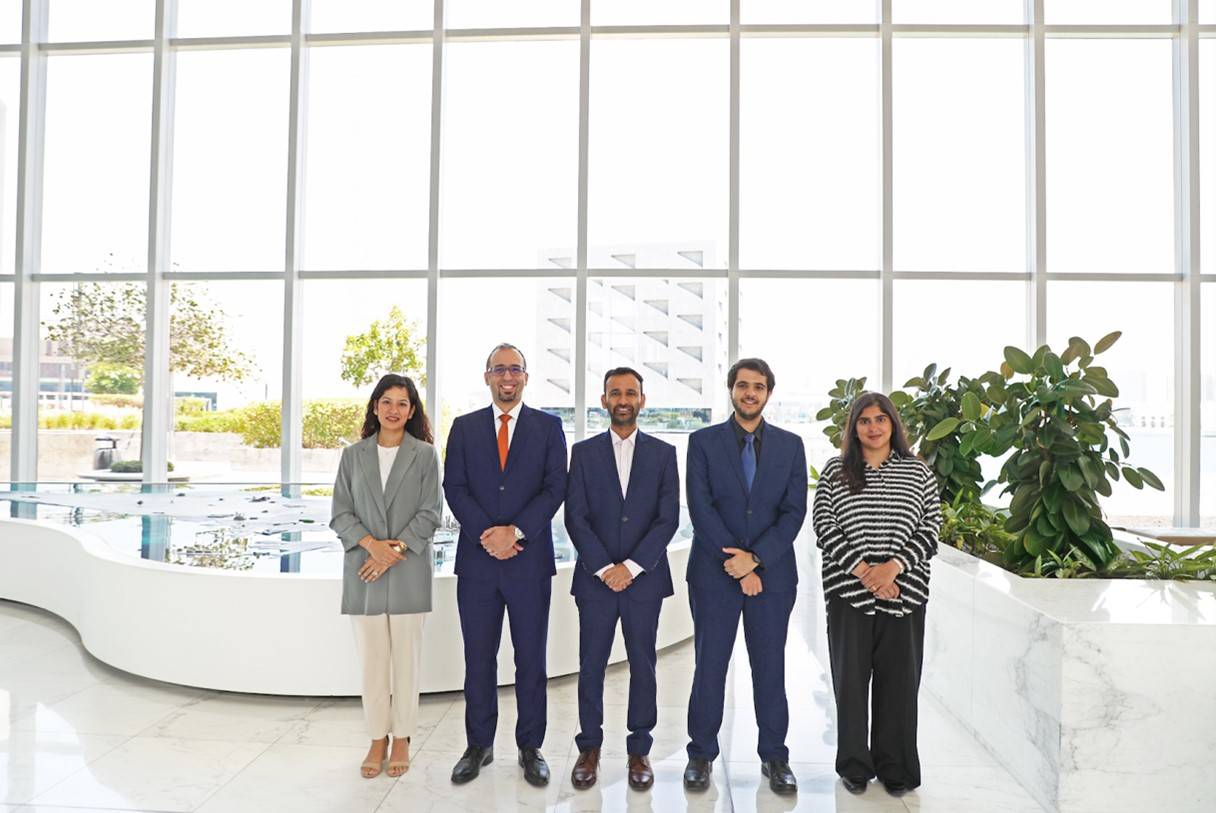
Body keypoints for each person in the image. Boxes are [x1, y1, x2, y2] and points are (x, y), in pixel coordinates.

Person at [443, 343, 567, 787]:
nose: (507, 376)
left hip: (528, 562)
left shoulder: (549, 427)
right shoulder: (464, 428)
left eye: (515, 369)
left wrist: (514, 532)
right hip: (477, 565)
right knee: (478, 658)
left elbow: (555, 487)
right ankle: (479, 744)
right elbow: (454, 487)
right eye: (499, 369)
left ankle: (530, 746)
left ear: (526, 377)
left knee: (530, 659)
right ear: (487, 377)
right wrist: (487, 534)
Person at [682, 358, 807, 796]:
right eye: (742, 385)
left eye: (758, 386)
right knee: (709, 666)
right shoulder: (702, 442)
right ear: (731, 390)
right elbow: (700, 508)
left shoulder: (791, 446)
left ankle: (775, 755)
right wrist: (737, 564)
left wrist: (756, 561)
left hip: (772, 577)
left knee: (769, 667)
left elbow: (794, 512)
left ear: (768, 393)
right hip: (713, 574)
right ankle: (700, 754)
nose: (749, 393)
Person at [811, 392, 940, 798]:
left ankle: (896, 767)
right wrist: (867, 573)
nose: (873, 427)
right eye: (864, 420)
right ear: (853, 428)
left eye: (880, 419)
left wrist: (893, 568)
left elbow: (930, 529)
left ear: (893, 424)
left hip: (905, 592)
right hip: (849, 593)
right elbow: (824, 526)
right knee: (850, 684)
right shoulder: (835, 471)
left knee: (899, 684)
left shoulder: (918, 472)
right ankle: (854, 765)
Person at [565, 367, 680, 792]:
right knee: (591, 665)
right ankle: (589, 748)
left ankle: (639, 750)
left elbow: (668, 519)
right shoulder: (583, 453)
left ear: (642, 400)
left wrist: (630, 567)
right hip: (595, 581)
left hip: (644, 581)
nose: (623, 399)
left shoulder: (664, 454)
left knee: (643, 665)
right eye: (616, 393)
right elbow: (575, 516)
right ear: (604, 400)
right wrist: (604, 568)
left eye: (631, 393)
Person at [329, 373, 442, 779]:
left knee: (406, 664)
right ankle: (377, 737)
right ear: (375, 407)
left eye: (403, 403)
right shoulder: (352, 456)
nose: (394, 410)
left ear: (412, 412)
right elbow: (340, 513)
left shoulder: (425, 455)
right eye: (387, 401)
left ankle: (402, 737)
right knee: (373, 664)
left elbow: (431, 512)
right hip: (365, 571)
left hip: (408, 570)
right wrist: (372, 546)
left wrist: (392, 552)